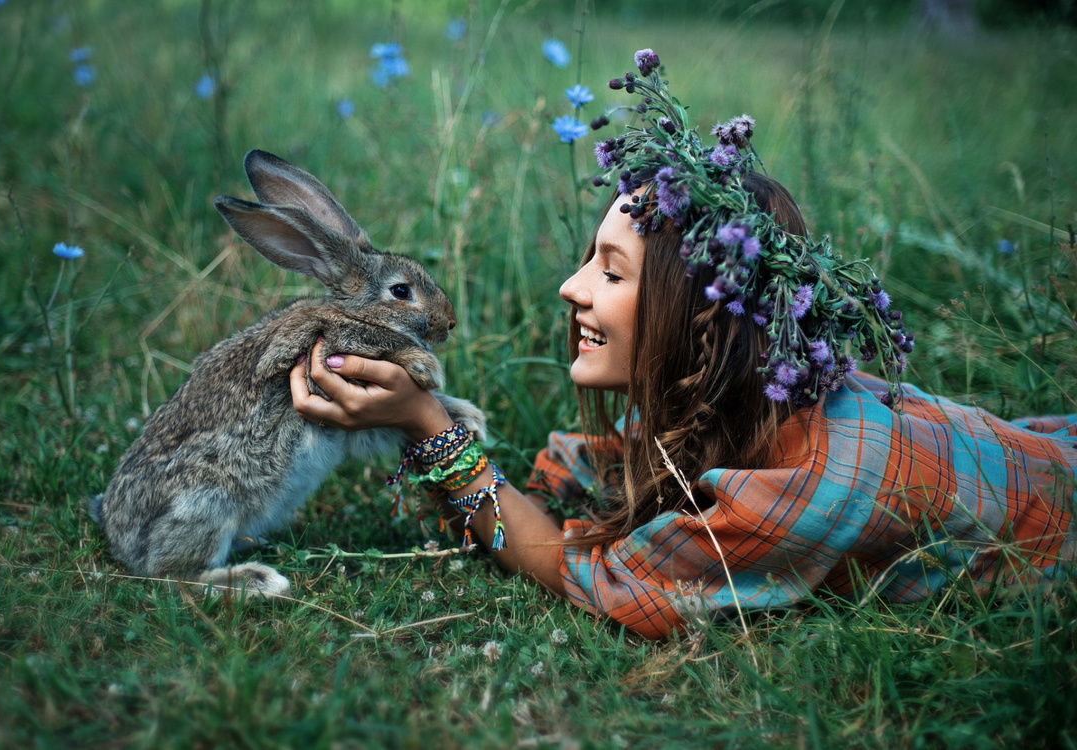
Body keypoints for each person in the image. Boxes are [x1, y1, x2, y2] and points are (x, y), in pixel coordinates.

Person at [289, 50, 1077, 639]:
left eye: (611, 270)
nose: (572, 288)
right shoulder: (740, 395)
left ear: (697, 317)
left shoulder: (806, 481)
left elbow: (589, 577)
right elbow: (593, 476)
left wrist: (431, 428)